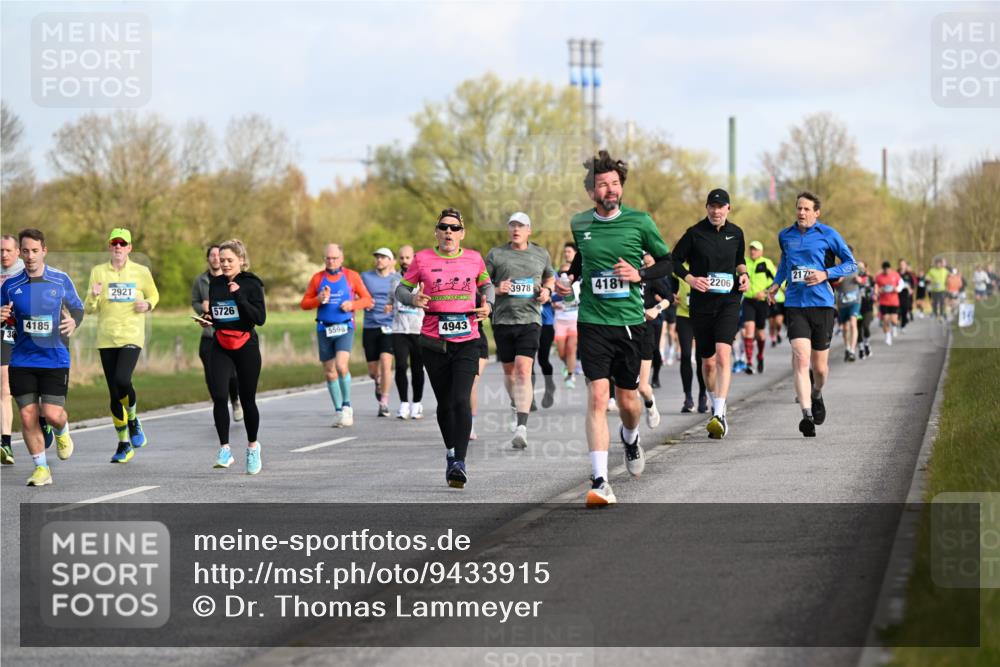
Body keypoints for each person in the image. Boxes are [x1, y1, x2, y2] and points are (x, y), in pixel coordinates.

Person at [557, 150, 672, 507]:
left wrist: (640, 274)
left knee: (629, 401)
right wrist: (567, 279)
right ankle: (600, 481)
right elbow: (581, 261)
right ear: (591, 191)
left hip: (629, 323)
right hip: (592, 321)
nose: (610, 189)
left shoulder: (640, 222)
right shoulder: (580, 224)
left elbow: (668, 261)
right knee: (596, 396)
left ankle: (632, 436)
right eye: (603, 184)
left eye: (615, 184)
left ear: (621, 188)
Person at [395, 207, 493, 488]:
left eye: (454, 228)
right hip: (433, 341)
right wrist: (413, 300)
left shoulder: (474, 258)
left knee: (461, 399)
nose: (448, 232)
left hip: (467, 338)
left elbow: (487, 287)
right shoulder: (422, 259)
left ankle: (459, 462)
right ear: (436, 232)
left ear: (462, 233)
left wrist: (489, 305)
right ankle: (451, 451)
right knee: (445, 403)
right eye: (443, 227)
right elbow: (401, 289)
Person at [767, 192, 856, 438]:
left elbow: (851, 264)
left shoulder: (828, 234)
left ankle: (816, 394)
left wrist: (825, 274)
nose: (802, 213)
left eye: (807, 209)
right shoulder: (785, 235)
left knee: (820, 368)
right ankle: (806, 415)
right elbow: (785, 263)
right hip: (795, 304)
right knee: (800, 357)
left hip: (823, 305)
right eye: (799, 208)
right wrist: (776, 284)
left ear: (816, 212)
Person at [0, 229, 83, 486]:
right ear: (20, 253)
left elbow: (77, 308)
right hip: (22, 358)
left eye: (35, 251)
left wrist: (73, 322)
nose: (30, 256)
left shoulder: (60, 280)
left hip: (54, 358)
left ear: (44, 251)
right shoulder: (11, 285)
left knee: (52, 413)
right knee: (27, 415)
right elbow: (4, 315)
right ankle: (41, 468)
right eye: (25, 251)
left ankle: (61, 430)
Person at [670, 188, 748, 440]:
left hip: (728, 301)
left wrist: (744, 275)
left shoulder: (736, 233)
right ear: (707, 208)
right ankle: (717, 404)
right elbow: (673, 260)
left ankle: (719, 413)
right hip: (702, 304)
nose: (716, 211)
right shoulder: (694, 234)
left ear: (728, 208)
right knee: (708, 362)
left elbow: (739, 260)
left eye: (720, 206)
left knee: (723, 354)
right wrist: (690, 278)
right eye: (712, 206)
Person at [84, 228, 160, 463]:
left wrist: (147, 304)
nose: (118, 247)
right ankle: (124, 444)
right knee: (114, 394)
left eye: (122, 243)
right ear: (109, 246)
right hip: (106, 338)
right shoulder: (98, 271)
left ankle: (134, 419)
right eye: (114, 243)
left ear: (129, 248)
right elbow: (89, 308)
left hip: (131, 336)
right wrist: (95, 295)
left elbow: (154, 295)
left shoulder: (141, 271)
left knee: (122, 381)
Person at [486, 212, 555, 450]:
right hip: (503, 321)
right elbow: (481, 285)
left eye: (521, 226)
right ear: (509, 229)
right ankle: (516, 404)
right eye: (512, 225)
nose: (516, 229)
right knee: (509, 372)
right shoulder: (496, 254)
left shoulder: (540, 253)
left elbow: (550, 278)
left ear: (529, 230)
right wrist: (497, 288)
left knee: (524, 371)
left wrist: (547, 292)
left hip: (530, 319)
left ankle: (522, 427)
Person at [197, 239, 266, 474]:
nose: (224, 264)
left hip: (246, 344)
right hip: (221, 344)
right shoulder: (215, 284)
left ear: (241, 261)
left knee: (247, 400)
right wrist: (209, 318)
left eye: (229, 260)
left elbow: (259, 318)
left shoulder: (252, 283)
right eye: (221, 260)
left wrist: (240, 297)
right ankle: (225, 449)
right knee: (219, 395)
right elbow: (220, 314)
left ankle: (252, 447)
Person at [300, 243, 373, 427]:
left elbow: (367, 299)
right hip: (324, 328)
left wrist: (352, 305)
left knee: (341, 366)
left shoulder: (351, 276)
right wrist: (318, 300)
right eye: (327, 258)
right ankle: (338, 410)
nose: (331, 261)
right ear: (324, 259)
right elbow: (304, 303)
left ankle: (347, 406)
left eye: (334, 258)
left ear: (341, 258)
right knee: (329, 371)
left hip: (344, 327)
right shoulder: (317, 278)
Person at [192, 245, 241, 421]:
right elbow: (195, 301)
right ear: (208, 259)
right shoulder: (200, 280)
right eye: (212, 255)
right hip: (209, 334)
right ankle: (219, 407)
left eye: (218, 255)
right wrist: (202, 309)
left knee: (231, 375)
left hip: (229, 334)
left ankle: (235, 400)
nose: (215, 259)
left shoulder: (230, 279)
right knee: (211, 375)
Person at [361, 248, 399, 417]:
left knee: (386, 362)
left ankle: (384, 402)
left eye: (383, 257)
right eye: (377, 257)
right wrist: (363, 302)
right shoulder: (365, 277)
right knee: (372, 371)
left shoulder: (398, 279)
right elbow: (357, 295)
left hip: (390, 326)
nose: (379, 260)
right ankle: (377, 381)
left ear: (392, 261)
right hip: (370, 326)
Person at [391, 245, 425, 420]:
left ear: (414, 258)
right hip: (398, 329)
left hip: (418, 329)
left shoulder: (422, 278)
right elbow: (391, 298)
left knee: (418, 368)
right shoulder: (394, 279)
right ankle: (404, 403)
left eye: (407, 258)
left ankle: (417, 403)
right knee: (401, 366)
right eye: (402, 258)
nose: (404, 261)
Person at [1, 234, 25, 465]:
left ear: (17, 251)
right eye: (1, 250)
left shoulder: (25, 272)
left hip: (27, 335)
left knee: (28, 387)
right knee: (5, 387)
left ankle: (44, 420)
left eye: (8, 250)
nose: (4, 254)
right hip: (4, 334)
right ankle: (6, 443)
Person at [639, 252, 671, 427]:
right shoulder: (616, 274)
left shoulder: (648, 275)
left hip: (645, 329)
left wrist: (656, 309)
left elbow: (669, 297)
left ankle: (650, 405)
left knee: (642, 387)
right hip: (622, 331)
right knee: (625, 389)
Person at [671, 263, 708, 413]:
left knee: (701, 358)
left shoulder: (705, 263)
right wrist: (672, 295)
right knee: (686, 355)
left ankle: (702, 396)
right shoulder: (680, 268)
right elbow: (671, 286)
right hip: (684, 316)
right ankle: (688, 398)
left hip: (702, 315)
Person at [741, 241, 776, 374]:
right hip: (748, 301)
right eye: (751, 249)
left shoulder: (766, 263)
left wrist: (765, 292)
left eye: (755, 249)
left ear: (761, 251)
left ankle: (760, 356)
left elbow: (777, 281)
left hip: (762, 302)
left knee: (760, 334)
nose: (753, 252)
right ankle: (749, 362)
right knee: (749, 330)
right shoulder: (744, 262)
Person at [552, 263, 580, 389]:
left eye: (568, 272)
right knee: (562, 353)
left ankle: (570, 374)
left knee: (571, 348)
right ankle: (567, 365)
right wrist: (553, 304)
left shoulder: (578, 285)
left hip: (574, 320)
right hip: (560, 322)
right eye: (563, 273)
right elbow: (549, 299)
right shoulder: (555, 286)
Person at [835, 254, 862, 361]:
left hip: (855, 301)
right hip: (842, 302)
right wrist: (838, 280)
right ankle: (847, 347)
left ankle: (852, 351)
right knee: (845, 328)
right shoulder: (837, 268)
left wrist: (860, 280)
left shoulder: (856, 267)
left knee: (853, 322)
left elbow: (866, 279)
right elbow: (832, 284)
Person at [875, 261, 902, 346]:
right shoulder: (879, 277)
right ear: (883, 269)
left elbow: (901, 284)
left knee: (894, 320)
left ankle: (894, 327)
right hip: (884, 301)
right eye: (885, 269)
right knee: (885, 320)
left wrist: (896, 289)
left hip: (894, 301)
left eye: (888, 269)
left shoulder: (895, 275)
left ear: (890, 268)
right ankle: (888, 336)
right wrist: (879, 291)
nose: (886, 270)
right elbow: (876, 287)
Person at [857, 261, 875, 360]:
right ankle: (860, 348)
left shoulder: (870, 278)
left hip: (868, 306)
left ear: (865, 268)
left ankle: (867, 344)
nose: (860, 269)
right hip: (857, 307)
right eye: (858, 267)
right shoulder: (853, 278)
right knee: (858, 328)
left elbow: (874, 289)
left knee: (866, 326)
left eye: (862, 267)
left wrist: (875, 295)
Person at [897, 260, 916, 330]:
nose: (902, 266)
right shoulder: (896, 273)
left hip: (906, 294)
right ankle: (897, 321)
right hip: (897, 294)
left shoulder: (909, 274)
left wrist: (911, 289)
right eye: (901, 264)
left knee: (905, 309)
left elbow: (913, 284)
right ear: (899, 265)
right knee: (898, 310)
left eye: (903, 264)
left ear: (905, 265)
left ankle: (903, 325)